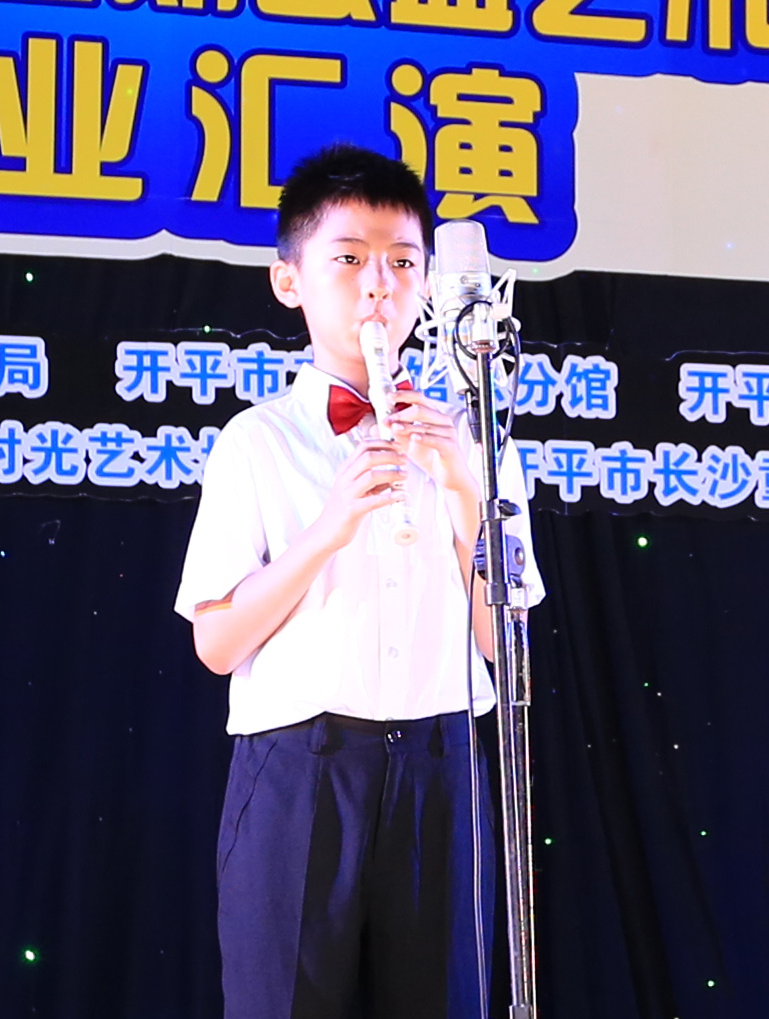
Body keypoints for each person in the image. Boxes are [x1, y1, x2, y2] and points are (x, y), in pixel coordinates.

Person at [174, 142, 546, 1018]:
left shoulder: (475, 441)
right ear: (289, 281)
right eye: (348, 259)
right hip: (301, 767)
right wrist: (328, 529)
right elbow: (216, 643)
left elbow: (507, 649)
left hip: (440, 764)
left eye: (403, 263)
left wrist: (465, 489)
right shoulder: (258, 441)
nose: (379, 286)